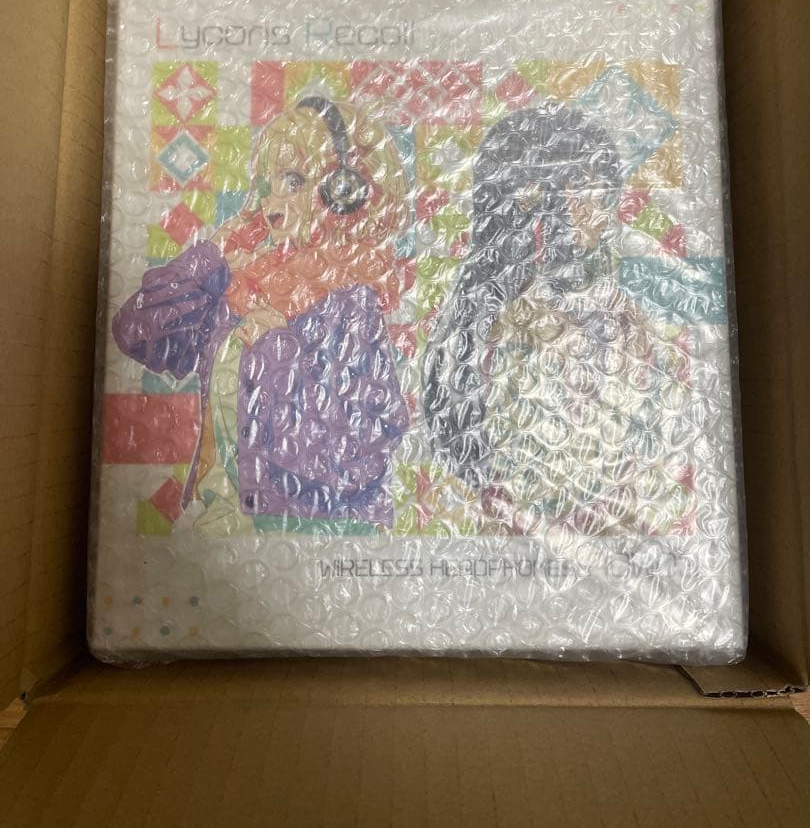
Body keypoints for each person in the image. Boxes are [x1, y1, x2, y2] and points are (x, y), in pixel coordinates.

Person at [113, 96, 410, 535]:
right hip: (223, 521)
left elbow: (354, 459)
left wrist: (278, 352)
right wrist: (210, 258)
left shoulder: (351, 305)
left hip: (308, 531)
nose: (271, 204)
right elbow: (135, 331)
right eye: (268, 186)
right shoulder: (240, 288)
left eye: (294, 181)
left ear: (344, 191)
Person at [422, 102, 694, 538]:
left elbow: (653, 431)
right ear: (536, 201)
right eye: (588, 191)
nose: (603, 211)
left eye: (605, 193)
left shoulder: (614, 311)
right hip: (530, 528)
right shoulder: (501, 325)